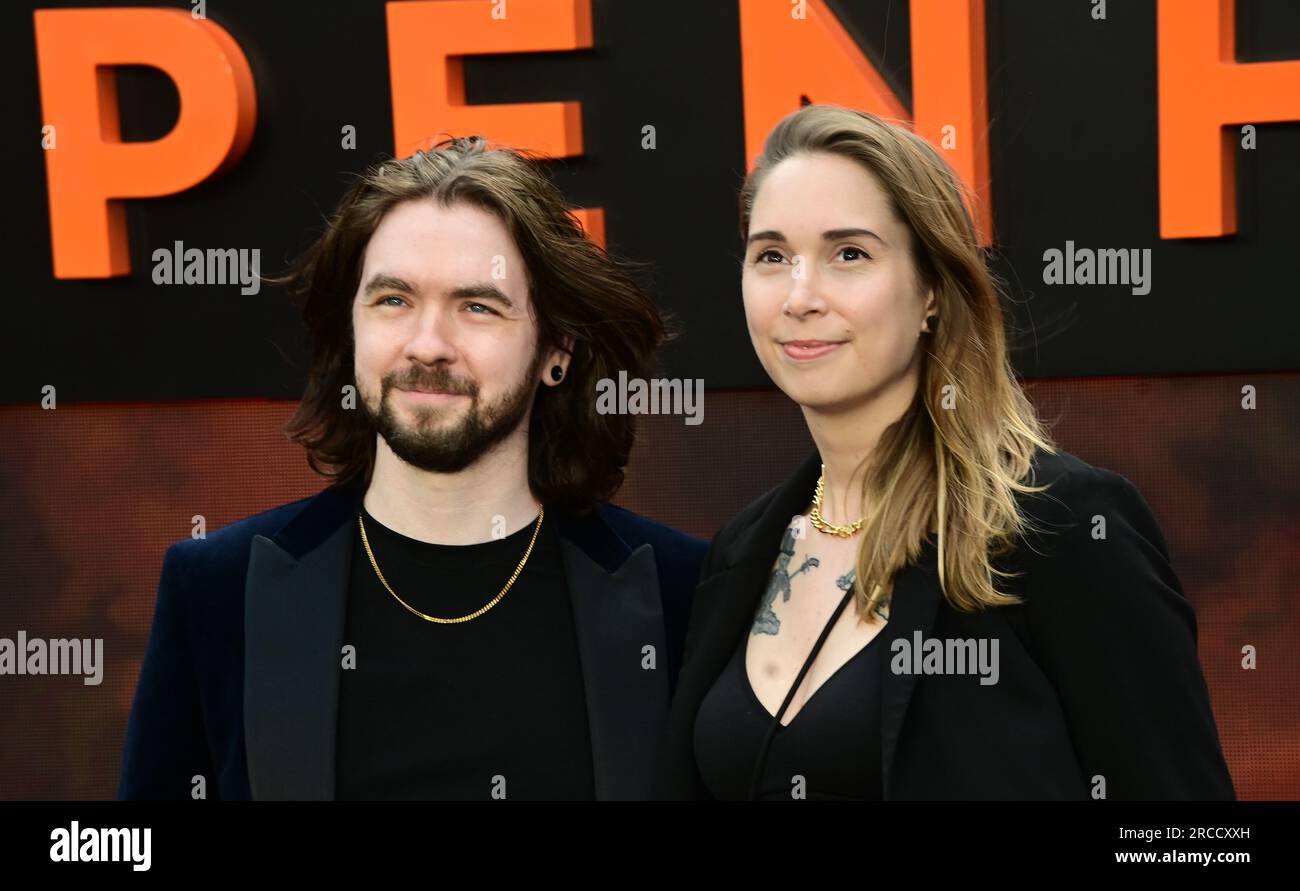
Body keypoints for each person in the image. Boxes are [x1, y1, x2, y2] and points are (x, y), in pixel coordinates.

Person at [656, 104, 1235, 801]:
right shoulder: (739, 551)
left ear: (930, 291)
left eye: (850, 254)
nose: (800, 296)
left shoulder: (1062, 526)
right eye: (772, 256)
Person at [119, 136, 705, 801]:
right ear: (351, 327)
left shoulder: (682, 591)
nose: (429, 344)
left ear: (556, 349)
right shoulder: (218, 589)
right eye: (393, 300)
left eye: (477, 306)